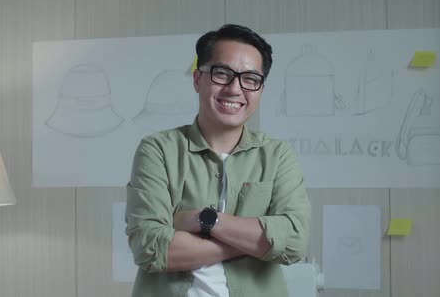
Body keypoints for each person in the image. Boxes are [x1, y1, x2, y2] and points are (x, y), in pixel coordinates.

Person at [125, 24, 311, 297]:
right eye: (222, 74)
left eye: (250, 79)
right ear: (198, 79)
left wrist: (205, 220)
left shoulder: (277, 155)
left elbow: (294, 241)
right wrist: (256, 243)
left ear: (260, 89)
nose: (235, 89)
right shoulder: (158, 150)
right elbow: (149, 247)